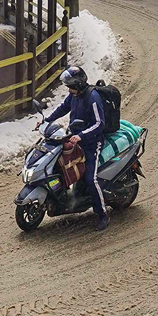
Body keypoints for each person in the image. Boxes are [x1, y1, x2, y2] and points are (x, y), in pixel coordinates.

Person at [44, 65, 110, 231]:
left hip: (92, 143)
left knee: (90, 178)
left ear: (78, 84)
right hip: (75, 139)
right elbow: (63, 108)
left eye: (70, 86)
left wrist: (81, 136)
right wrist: (47, 120)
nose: (68, 89)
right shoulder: (74, 95)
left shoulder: (92, 97)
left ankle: (102, 214)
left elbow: (99, 123)